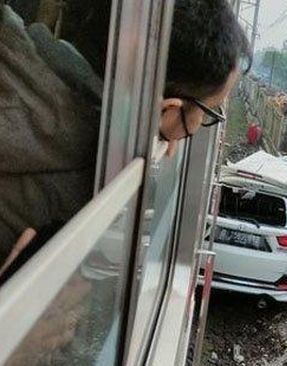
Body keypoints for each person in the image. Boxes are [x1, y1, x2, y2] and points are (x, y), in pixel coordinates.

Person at [0, 0, 251, 280]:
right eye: (207, 114)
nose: (199, 125)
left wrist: (157, 125)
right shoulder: (83, 179)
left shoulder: (13, 38)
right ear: (168, 108)